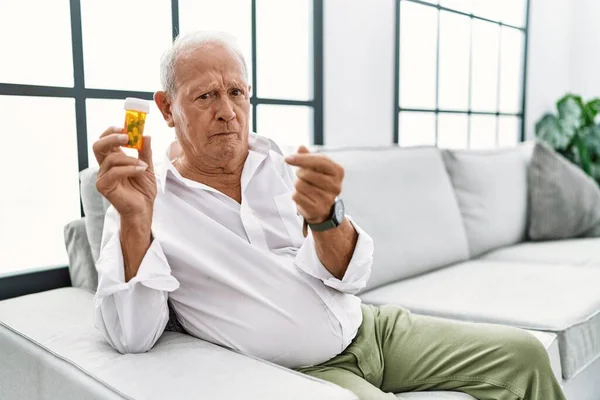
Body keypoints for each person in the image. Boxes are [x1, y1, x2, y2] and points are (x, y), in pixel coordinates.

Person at [92, 31, 566, 400]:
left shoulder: (282, 164)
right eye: (205, 96)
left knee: (523, 355)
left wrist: (325, 219)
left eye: (236, 92)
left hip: (374, 328)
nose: (227, 112)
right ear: (166, 108)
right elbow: (133, 336)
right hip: (307, 372)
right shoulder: (142, 198)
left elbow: (352, 277)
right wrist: (136, 222)